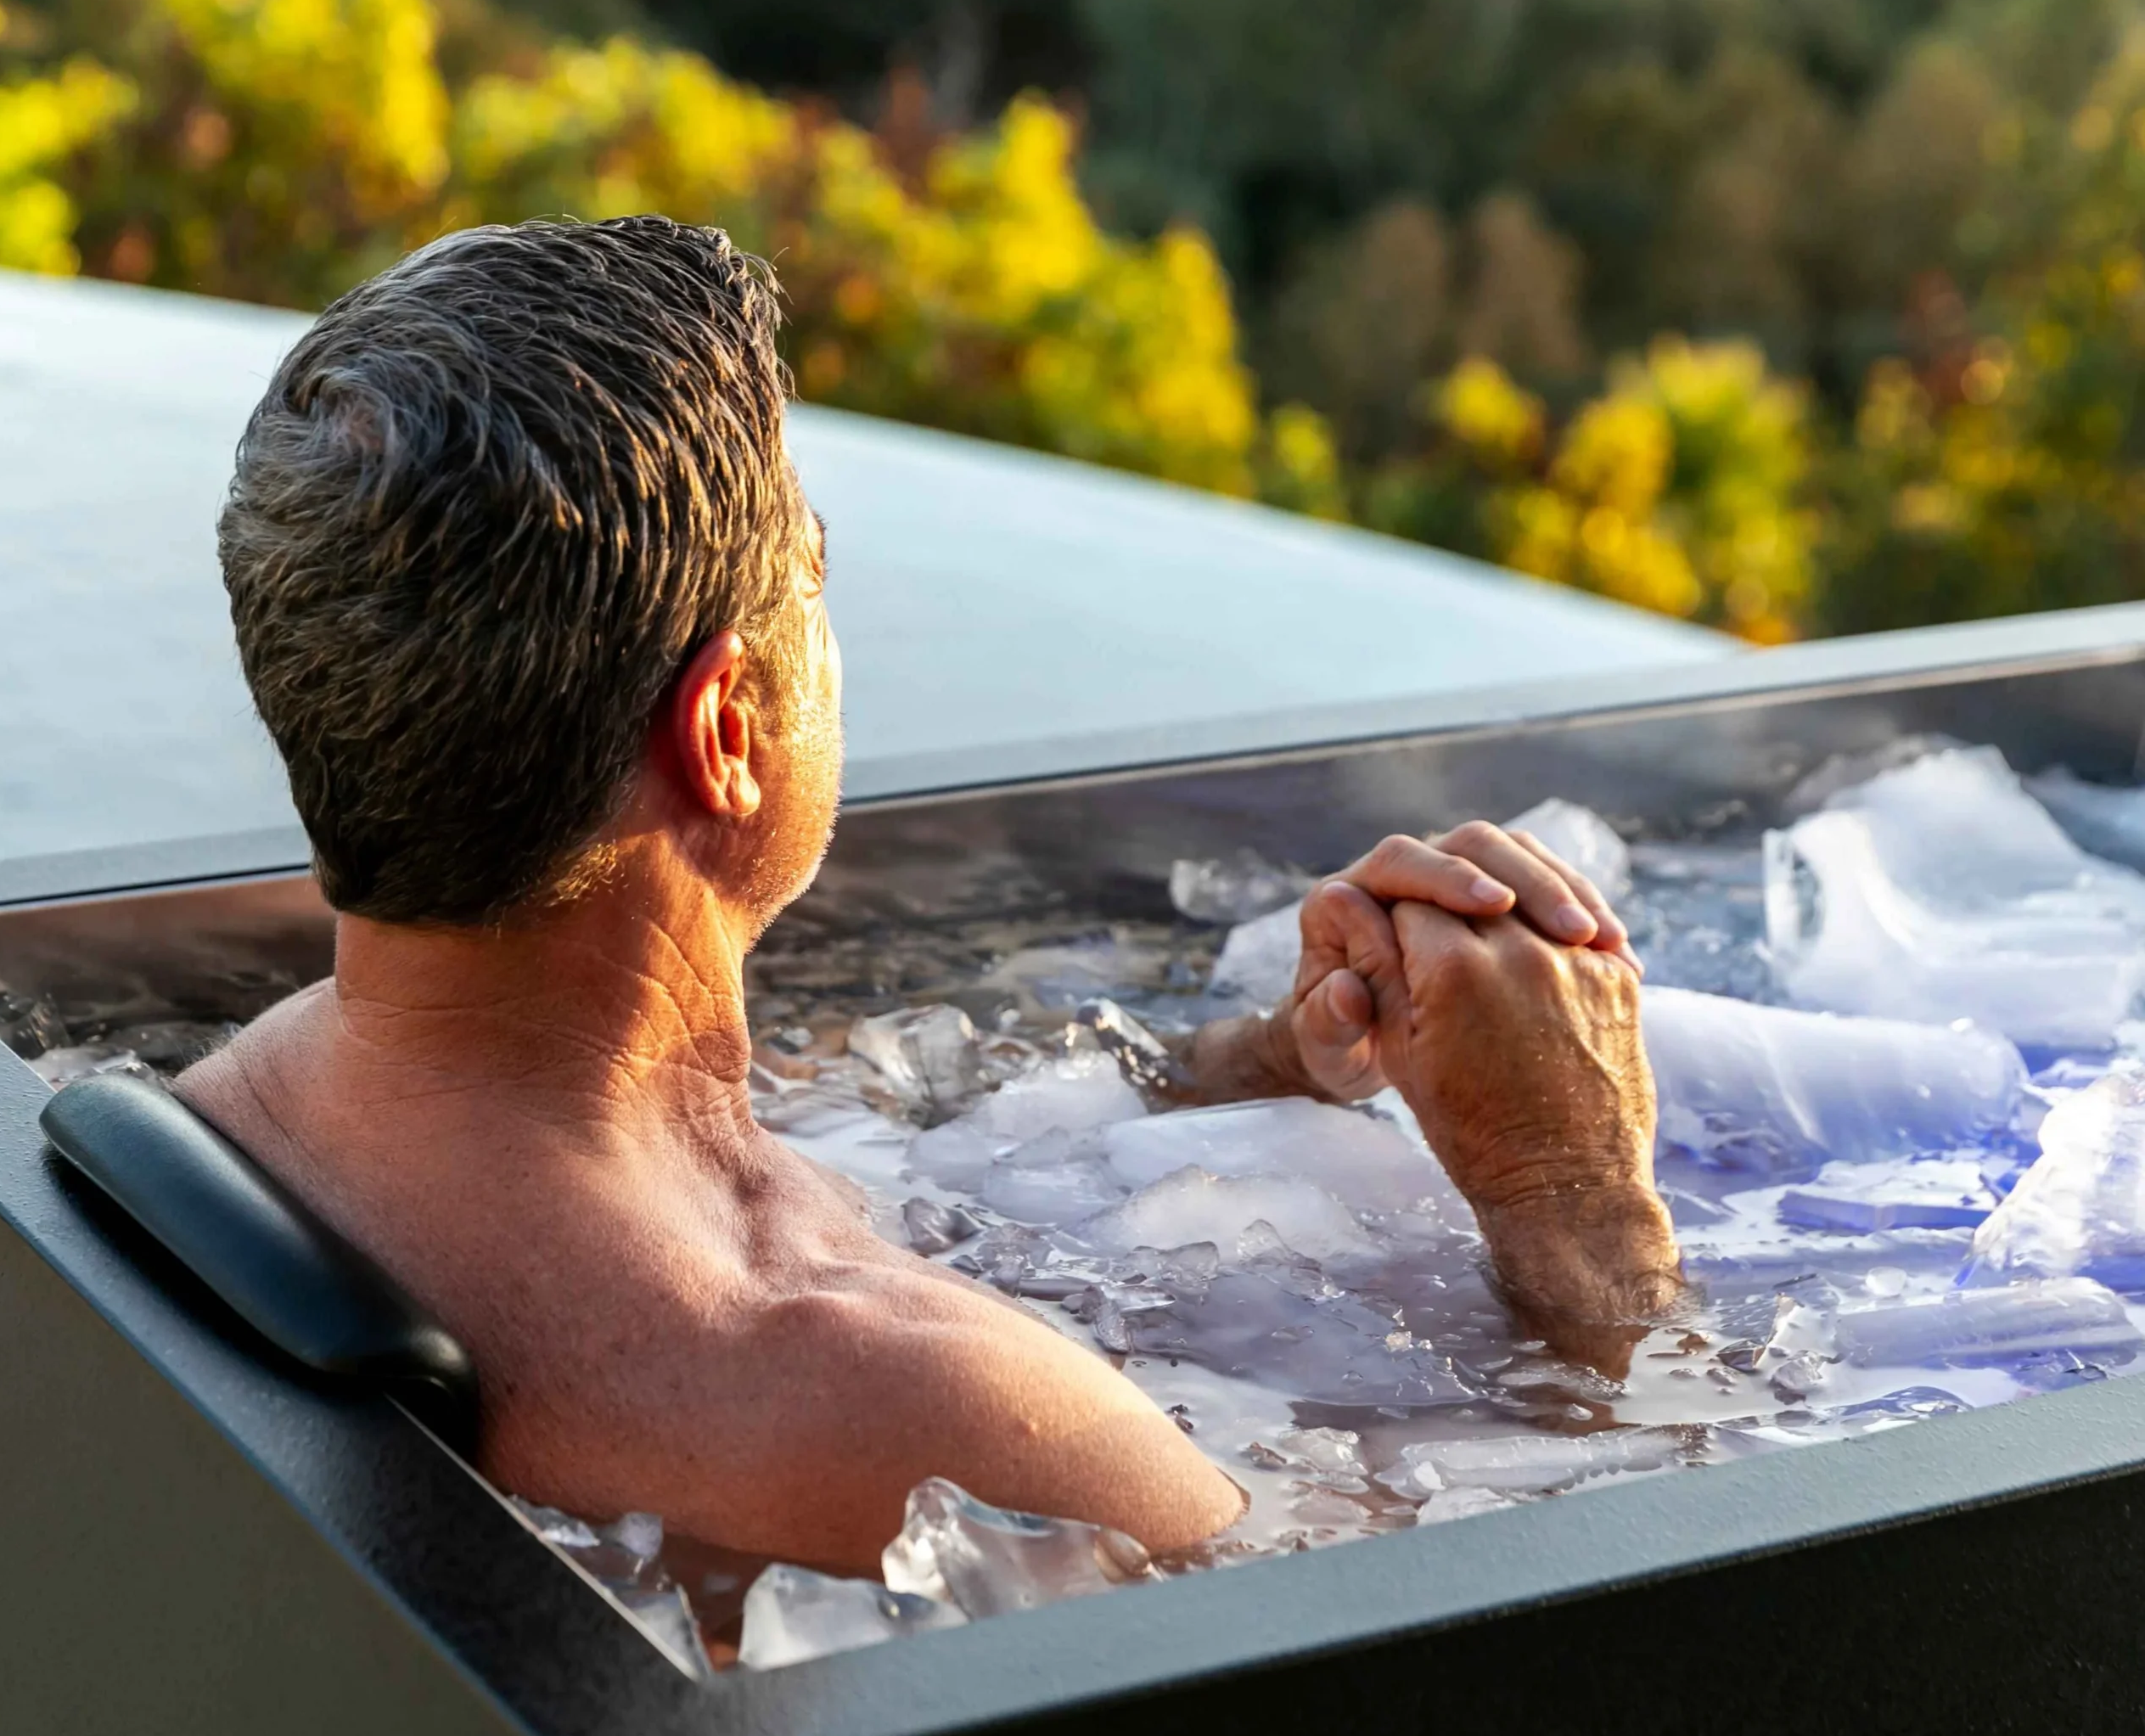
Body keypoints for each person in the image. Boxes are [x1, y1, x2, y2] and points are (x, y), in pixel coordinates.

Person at [177, 216, 1681, 1581]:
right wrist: (1573, 1187)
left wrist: (1263, 1069)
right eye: (813, 577)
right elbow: (1516, 1638)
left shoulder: (249, 1112)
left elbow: (894, 1137)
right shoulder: (889, 1412)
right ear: (725, 733)